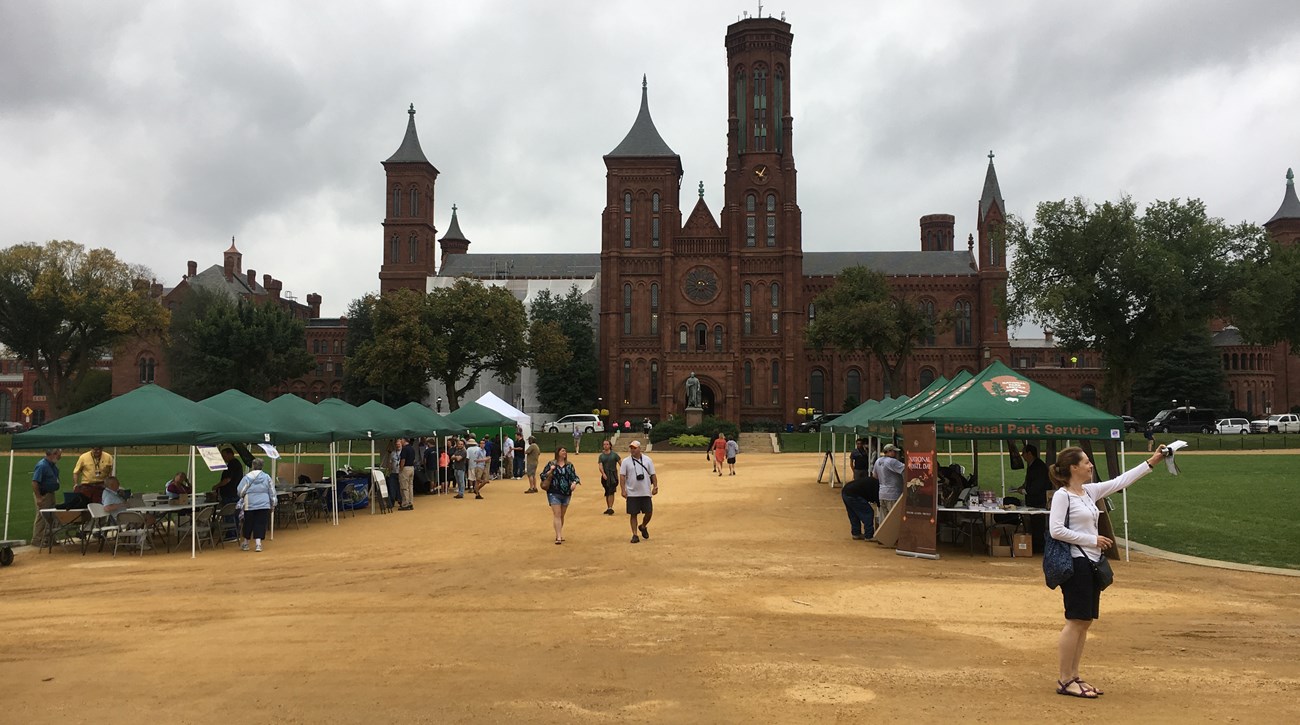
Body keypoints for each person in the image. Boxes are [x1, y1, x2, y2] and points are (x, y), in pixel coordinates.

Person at [1048, 444, 1169, 699]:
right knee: (1075, 620)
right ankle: (1064, 678)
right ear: (1073, 468)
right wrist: (1092, 540)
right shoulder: (1063, 495)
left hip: (1091, 562)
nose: (1090, 465)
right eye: (1086, 462)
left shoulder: (1088, 492)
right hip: (1076, 563)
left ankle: (1074, 674)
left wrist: (1153, 461)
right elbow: (1055, 530)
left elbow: (1121, 481)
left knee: (1085, 621)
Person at [618, 440, 658, 544]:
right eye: (631, 448)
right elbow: (622, 476)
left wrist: (655, 486)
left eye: (634, 448)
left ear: (640, 449)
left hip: (645, 491)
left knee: (649, 512)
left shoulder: (648, 460)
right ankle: (635, 534)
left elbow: (653, 474)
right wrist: (623, 489)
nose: (632, 450)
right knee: (633, 514)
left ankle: (643, 526)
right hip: (632, 492)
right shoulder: (626, 461)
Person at [1015, 444, 1052, 552]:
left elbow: (1037, 486)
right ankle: (1035, 545)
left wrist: (1025, 490)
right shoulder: (1033, 465)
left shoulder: (1038, 467)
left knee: (1038, 524)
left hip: (1038, 501)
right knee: (1034, 524)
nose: (1022, 455)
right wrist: (1024, 486)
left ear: (1029, 453)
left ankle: (1039, 546)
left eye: (1024, 453)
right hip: (1033, 501)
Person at [540, 447, 581, 544]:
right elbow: (542, 476)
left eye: (565, 451)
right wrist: (550, 470)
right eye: (562, 451)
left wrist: (574, 483)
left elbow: (575, 477)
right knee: (557, 514)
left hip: (566, 493)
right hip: (554, 491)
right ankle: (558, 536)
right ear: (558, 453)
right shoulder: (551, 464)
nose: (565, 452)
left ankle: (558, 533)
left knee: (562, 515)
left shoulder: (569, 465)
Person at [237, 458, 277, 552]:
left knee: (248, 523)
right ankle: (258, 544)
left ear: (253, 466)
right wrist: (273, 503)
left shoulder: (247, 477)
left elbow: (240, 490)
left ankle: (246, 543)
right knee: (260, 523)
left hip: (250, 503)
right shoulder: (267, 477)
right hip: (264, 504)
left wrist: (242, 496)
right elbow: (272, 491)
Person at [30, 449, 62, 547]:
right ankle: (37, 539)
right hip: (43, 494)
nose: (61, 457)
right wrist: (39, 497)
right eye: (59, 455)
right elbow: (35, 482)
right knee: (42, 516)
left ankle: (50, 539)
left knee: (52, 516)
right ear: (53, 454)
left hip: (50, 494)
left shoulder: (52, 466)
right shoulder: (42, 465)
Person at [872, 444, 906, 526]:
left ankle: (883, 537)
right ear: (889, 451)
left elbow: (874, 476)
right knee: (894, 519)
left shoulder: (878, 461)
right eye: (894, 451)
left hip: (882, 493)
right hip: (893, 493)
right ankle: (893, 537)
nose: (895, 453)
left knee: (883, 519)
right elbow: (906, 469)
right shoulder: (892, 461)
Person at [840, 471, 879, 540]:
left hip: (845, 491)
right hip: (854, 495)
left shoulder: (871, 481)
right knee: (868, 513)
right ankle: (869, 535)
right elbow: (877, 500)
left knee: (853, 513)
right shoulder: (877, 485)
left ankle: (856, 533)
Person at [596, 439, 622, 515]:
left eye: (607, 444)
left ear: (610, 445)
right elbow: (600, 466)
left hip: (613, 475)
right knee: (607, 491)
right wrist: (603, 474)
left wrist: (624, 472)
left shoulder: (614, 455)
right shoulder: (601, 456)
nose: (605, 446)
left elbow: (621, 463)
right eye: (604, 444)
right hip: (605, 476)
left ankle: (610, 507)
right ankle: (608, 507)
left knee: (611, 491)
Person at [397, 437, 416, 510]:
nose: (400, 441)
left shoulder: (404, 449)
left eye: (401, 440)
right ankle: (410, 502)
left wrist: (401, 468)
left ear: (404, 440)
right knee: (410, 486)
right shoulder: (412, 448)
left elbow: (403, 460)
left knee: (404, 487)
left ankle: (405, 503)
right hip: (411, 468)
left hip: (405, 468)